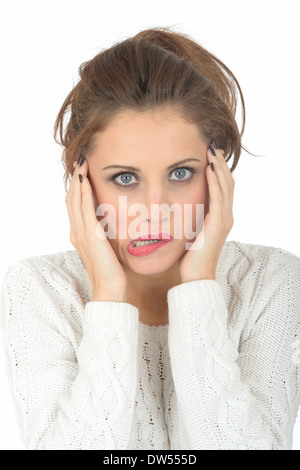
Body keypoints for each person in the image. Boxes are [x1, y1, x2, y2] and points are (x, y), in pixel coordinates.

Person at [1, 26, 300, 450]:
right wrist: (107, 295)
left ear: (217, 175)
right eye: (125, 178)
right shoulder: (40, 290)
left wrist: (199, 285)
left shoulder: (272, 281)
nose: (153, 211)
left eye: (181, 173)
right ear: (82, 183)